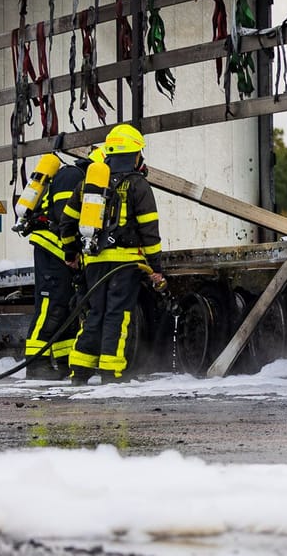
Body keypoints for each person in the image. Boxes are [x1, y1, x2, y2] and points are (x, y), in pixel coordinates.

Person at [68, 124, 165, 385]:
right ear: (134, 155)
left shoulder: (90, 184)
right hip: (124, 264)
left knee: (94, 313)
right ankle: (111, 372)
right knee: (117, 316)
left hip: (94, 262)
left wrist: (71, 252)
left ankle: (80, 370)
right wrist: (156, 266)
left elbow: (67, 221)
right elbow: (149, 230)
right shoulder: (138, 185)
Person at [16, 151, 85, 377]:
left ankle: (64, 362)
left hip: (59, 252)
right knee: (50, 307)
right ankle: (35, 364)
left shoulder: (78, 177)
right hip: (52, 249)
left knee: (65, 308)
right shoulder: (71, 176)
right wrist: (71, 251)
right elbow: (65, 218)